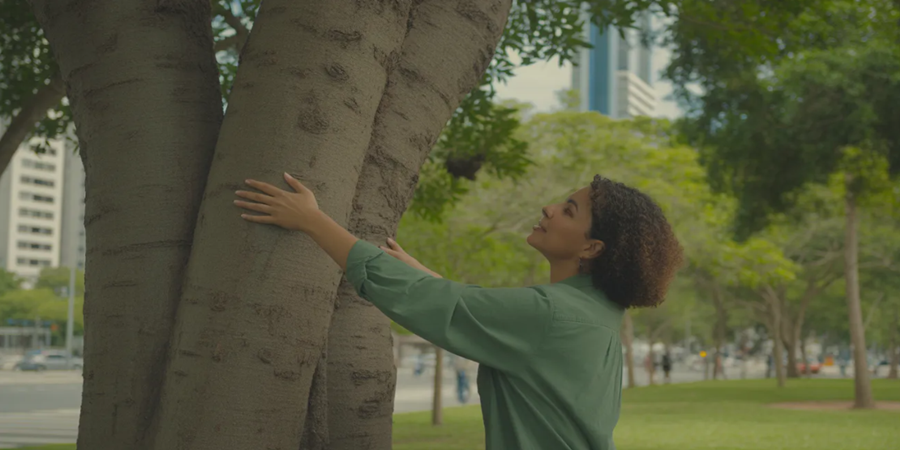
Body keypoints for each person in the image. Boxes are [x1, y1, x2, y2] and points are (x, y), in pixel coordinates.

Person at [234, 173, 683, 450]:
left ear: (591, 247)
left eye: (568, 210)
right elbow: (475, 306)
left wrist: (312, 220)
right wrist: (423, 275)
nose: (548, 208)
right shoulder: (596, 313)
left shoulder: (550, 315)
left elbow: (433, 304)